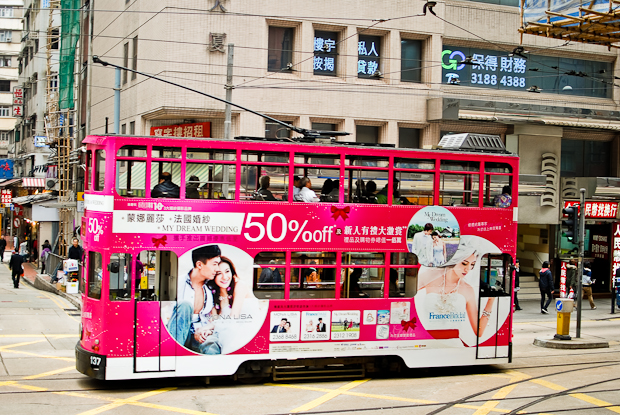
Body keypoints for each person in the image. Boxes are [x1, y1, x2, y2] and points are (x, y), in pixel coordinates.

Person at [416, 242, 496, 337]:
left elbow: (479, 331)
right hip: (425, 341)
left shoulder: (468, 289)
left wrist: (491, 301)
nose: (468, 269)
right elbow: (404, 293)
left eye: (472, 265)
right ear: (454, 259)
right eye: (464, 263)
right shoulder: (430, 276)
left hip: (454, 345)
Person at [166, 245, 221, 352]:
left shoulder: (211, 288)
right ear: (199, 264)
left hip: (201, 334)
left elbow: (214, 318)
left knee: (211, 349)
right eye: (214, 264)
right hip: (178, 336)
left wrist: (206, 329)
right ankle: (171, 354)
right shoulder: (177, 283)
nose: (217, 269)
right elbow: (165, 313)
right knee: (185, 305)